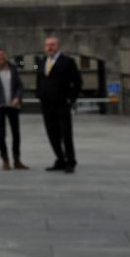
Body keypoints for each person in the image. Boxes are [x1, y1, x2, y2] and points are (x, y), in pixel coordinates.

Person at [37, 36, 82, 173]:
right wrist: (39, 94)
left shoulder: (68, 62)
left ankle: (70, 161)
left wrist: (70, 98)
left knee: (65, 134)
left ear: (58, 46)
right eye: (47, 45)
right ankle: (60, 159)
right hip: (47, 105)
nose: (49, 47)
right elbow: (38, 76)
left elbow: (78, 82)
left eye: (52, 45)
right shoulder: (41, 61)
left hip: (62, 104)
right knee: (52, 134)